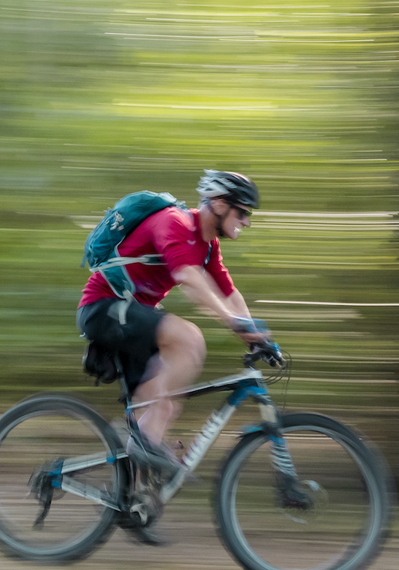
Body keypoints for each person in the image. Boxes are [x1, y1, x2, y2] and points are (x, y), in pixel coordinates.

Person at [76, 170, 273, 498]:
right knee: (189, 338)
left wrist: (256, 335)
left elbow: (229, 293)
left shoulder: (208, 248)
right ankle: (143, 443)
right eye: (242, 212)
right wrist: (234, 323)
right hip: (104, 307)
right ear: (221, 204)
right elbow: (189, 279)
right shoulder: (175, 222)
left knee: (163, 408)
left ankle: (132, 505)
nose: (246, 221)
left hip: (133, 319)